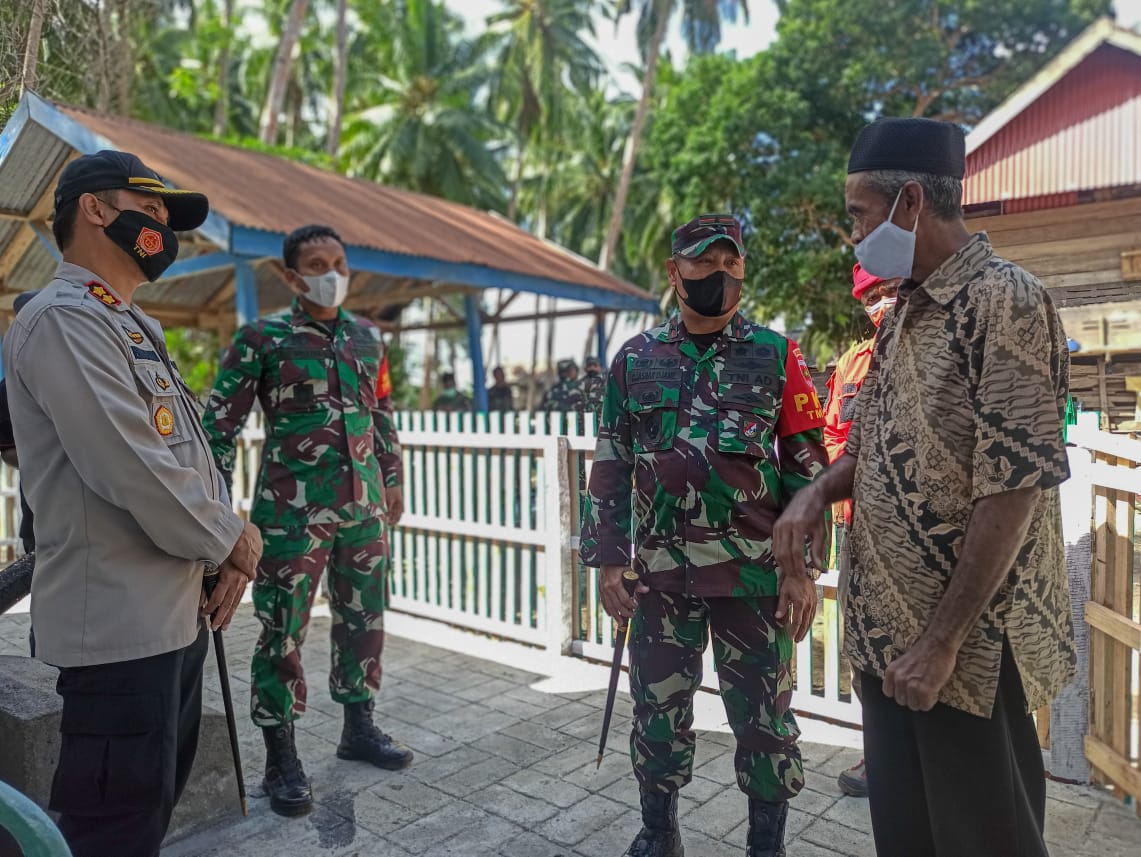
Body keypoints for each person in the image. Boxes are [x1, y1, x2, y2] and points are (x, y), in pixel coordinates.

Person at [774, 117, 1075, 857]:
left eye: (858, 216)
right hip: (890, 640)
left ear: (909, 203)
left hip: (961, 649)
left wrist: (941, 641)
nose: (853, 236)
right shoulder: (905, 308)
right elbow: (872, 442)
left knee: (980, 834)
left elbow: (1012, 487)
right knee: (908, 834)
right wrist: (815, 491)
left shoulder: (1001, 301)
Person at [2, 149, 260, 857]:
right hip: (119, 628)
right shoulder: (63, 318)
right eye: (150, 211)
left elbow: (184, 456)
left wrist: (225, 543)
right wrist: (229, 537)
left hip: (171, 616)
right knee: (104, 830)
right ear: (95, 209)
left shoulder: (126, 323)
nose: (161, 231)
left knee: (143, 816)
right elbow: (130, 464)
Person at [582, 213, 828, 857]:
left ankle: (765, 845)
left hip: (755, 577)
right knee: (657, 718)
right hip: (659, 578)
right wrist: (609, 561)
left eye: (731, 263)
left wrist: (804, 570)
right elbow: (609, 460)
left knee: (765, 723)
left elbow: (809, 469)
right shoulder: (634, 360)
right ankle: (658, 832)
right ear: (674, 272)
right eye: (704, 263)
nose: (720, 275)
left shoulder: (775, 354)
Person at [202, 224, 412, 819]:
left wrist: (391, 480)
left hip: (364, 511)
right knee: (281, 634)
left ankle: (358, 727)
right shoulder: (260, 339)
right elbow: (218, 428)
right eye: (317, 264)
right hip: (291, 515)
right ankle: (280, 757)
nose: (331, 273)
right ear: (292, 277)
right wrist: (218, 514)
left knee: (364, 621)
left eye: (339, 262)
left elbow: (383, 414)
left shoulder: (369, 339)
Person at [823, 263, 899, 798]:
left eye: (892, 289)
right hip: (858, 528)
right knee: (865, 646)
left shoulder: (939, 352)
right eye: (874, 295)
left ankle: (924, 760)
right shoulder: (853, 362)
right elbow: (831, 433)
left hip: (920, 534)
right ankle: (881, 758)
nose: (884, 302)